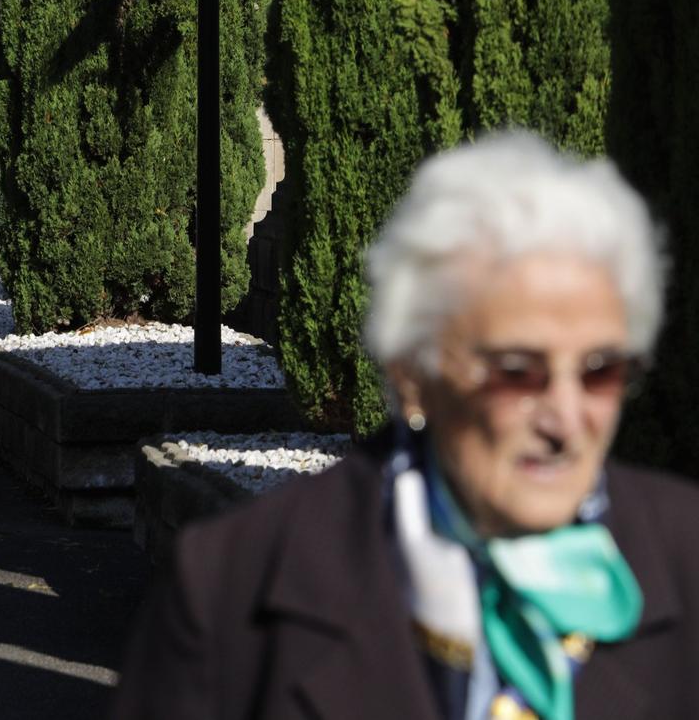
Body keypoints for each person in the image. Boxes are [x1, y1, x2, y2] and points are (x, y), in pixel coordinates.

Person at [111, 131, 699, 719]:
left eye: (600, 371)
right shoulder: (232, 592)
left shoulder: (684, 554)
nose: (566, 420)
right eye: (518, 370)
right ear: (415, 375)